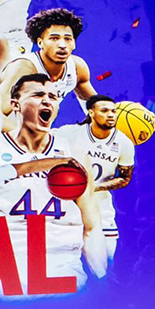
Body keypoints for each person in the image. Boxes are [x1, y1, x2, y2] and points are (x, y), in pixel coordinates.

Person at [0, 75, 107, 286]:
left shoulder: (75, 157)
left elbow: (91, 226)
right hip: (0, 273)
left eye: (53, 96)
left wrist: (102, 278)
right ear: (15, 105)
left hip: (61, 272)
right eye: (38, 95)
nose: (47, 100)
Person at [58, 95, 133, 261]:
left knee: (105, 270)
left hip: (101, 214)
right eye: (104, 111)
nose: (111, 115)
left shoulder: (124, 142)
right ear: (91, 113)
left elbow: (124, 179)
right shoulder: (70, 133)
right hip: (67, 213)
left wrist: (92, 187)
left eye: (113, 111)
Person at [0, 8, 95, 125]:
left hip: (34, 132)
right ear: (40, 43)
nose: (62, 45)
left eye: (68, 39)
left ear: (74, 43)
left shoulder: (77, 67)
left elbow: (97, 109)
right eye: (54, 38)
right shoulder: (23, 69)